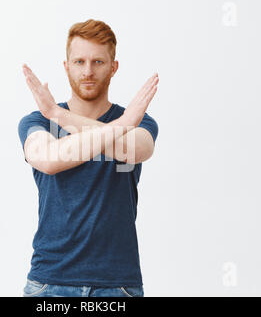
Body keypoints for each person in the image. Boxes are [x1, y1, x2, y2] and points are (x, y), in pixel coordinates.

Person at [18, 19, 159, 297]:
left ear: (113, 67)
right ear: (66, 66)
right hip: (49, 283)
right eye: (79, 61)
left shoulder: (140, 122)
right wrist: (121, 125)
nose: (88, 71)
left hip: (118, 285)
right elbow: (49, 159)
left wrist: (60, 116)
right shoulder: (39, 121)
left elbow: (135, 149)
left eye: (98, 62)